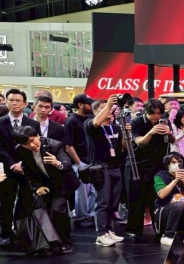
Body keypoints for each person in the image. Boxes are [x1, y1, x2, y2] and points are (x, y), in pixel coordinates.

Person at [11, 125, 78, 255]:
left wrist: (57, 163)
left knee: (57, 210)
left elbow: (67, 164)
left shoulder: (54, 145)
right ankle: (47, 242)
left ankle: (66, 242)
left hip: (62, 183)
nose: (31, 145)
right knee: (39, 210)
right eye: (26, 144)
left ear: (37, 135)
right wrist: (38, 186)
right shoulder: (20, 150)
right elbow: (28, 171)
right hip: (44, 184)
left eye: (32, 140)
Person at [127, 99, 175, 241]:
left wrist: (169, 133)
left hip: (157, 164)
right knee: (136, 199)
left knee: (156, 199)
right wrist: (151, 132)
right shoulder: (137, 122)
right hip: (138, 165)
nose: (156, 116)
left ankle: (159, 228)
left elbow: (172, 141)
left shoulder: (164, 121)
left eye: (159, 113)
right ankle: (134, 230)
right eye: (153, 113)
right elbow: (140, 143)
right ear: (146, 111)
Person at [0, 89, 41, 247]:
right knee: (6, 201)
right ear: (6, 102)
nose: (14, 103)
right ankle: (6, 233)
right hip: (7, 168)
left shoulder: (33, 124)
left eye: (18, 100)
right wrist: (12, 163)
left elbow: (35, 146)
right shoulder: (1, 122)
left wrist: (22, 164)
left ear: (25, 104)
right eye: (11, 100)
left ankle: (23, 232)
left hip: (27, 168)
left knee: (26, 201)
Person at [85, 94, 126, 247]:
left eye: (110, 108)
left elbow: (124, 146)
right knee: (102, 202)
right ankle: (100, 234)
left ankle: (109, 230)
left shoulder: (115, 127)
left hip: (116, 167)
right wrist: (108, 104)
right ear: (95, 111)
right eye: (104, 108)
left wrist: (126, 132)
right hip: (101, 169)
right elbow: (96, 122)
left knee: (113, 203)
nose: (109, 111)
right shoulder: (90, 125)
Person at [154, 152, 184, 246]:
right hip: (165, 209)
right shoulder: (160, 176)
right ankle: (167, 236)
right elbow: (162, 195)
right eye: (173, 162)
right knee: (179, 204)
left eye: (179, 162)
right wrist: (175, 180)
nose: (177, 164)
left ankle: (178, 228)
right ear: (168, 164)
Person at [63, 94, 97, 227]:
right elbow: (68, 145)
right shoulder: (71, 121)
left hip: (92, 161)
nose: (91, 106)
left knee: (93, 191)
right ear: (80, 105)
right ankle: (81, 217)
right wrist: (79, 163)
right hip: (80, 161)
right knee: (82, 193)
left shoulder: (90, 118)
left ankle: (90, 215)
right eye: (89, 104)